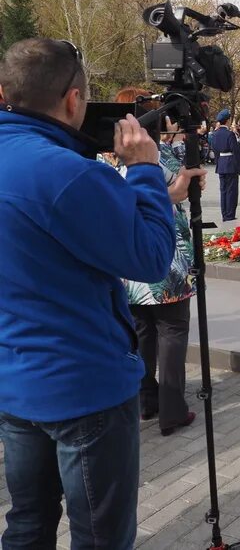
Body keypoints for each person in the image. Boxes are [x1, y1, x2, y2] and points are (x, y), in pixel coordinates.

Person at [0, 38, 176, 549]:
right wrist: (143, 169)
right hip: (85, 387)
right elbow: (149, 259)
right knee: (100, 535)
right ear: (74, 100)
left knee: (28, 523)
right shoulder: (67, 173)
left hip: (16, 381)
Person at [105, 87, 205, 437]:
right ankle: (173, 410)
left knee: (142, 333)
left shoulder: (102, 159)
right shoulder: (158, 155)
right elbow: (190, 187)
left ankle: (147, 401)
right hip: (167, 260)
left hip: (127, 265)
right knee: (173, 332)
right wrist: (178, 191)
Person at [208, 108, 240, 221]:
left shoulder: (215, 134)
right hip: (230, 164)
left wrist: (218, 163)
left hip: (221, 164)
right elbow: (236, 151)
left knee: (223, 191)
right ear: (227, 121)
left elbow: (215, 149)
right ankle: (230, 214)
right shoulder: (230, 134)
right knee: (231, 190)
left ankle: (224, 214)